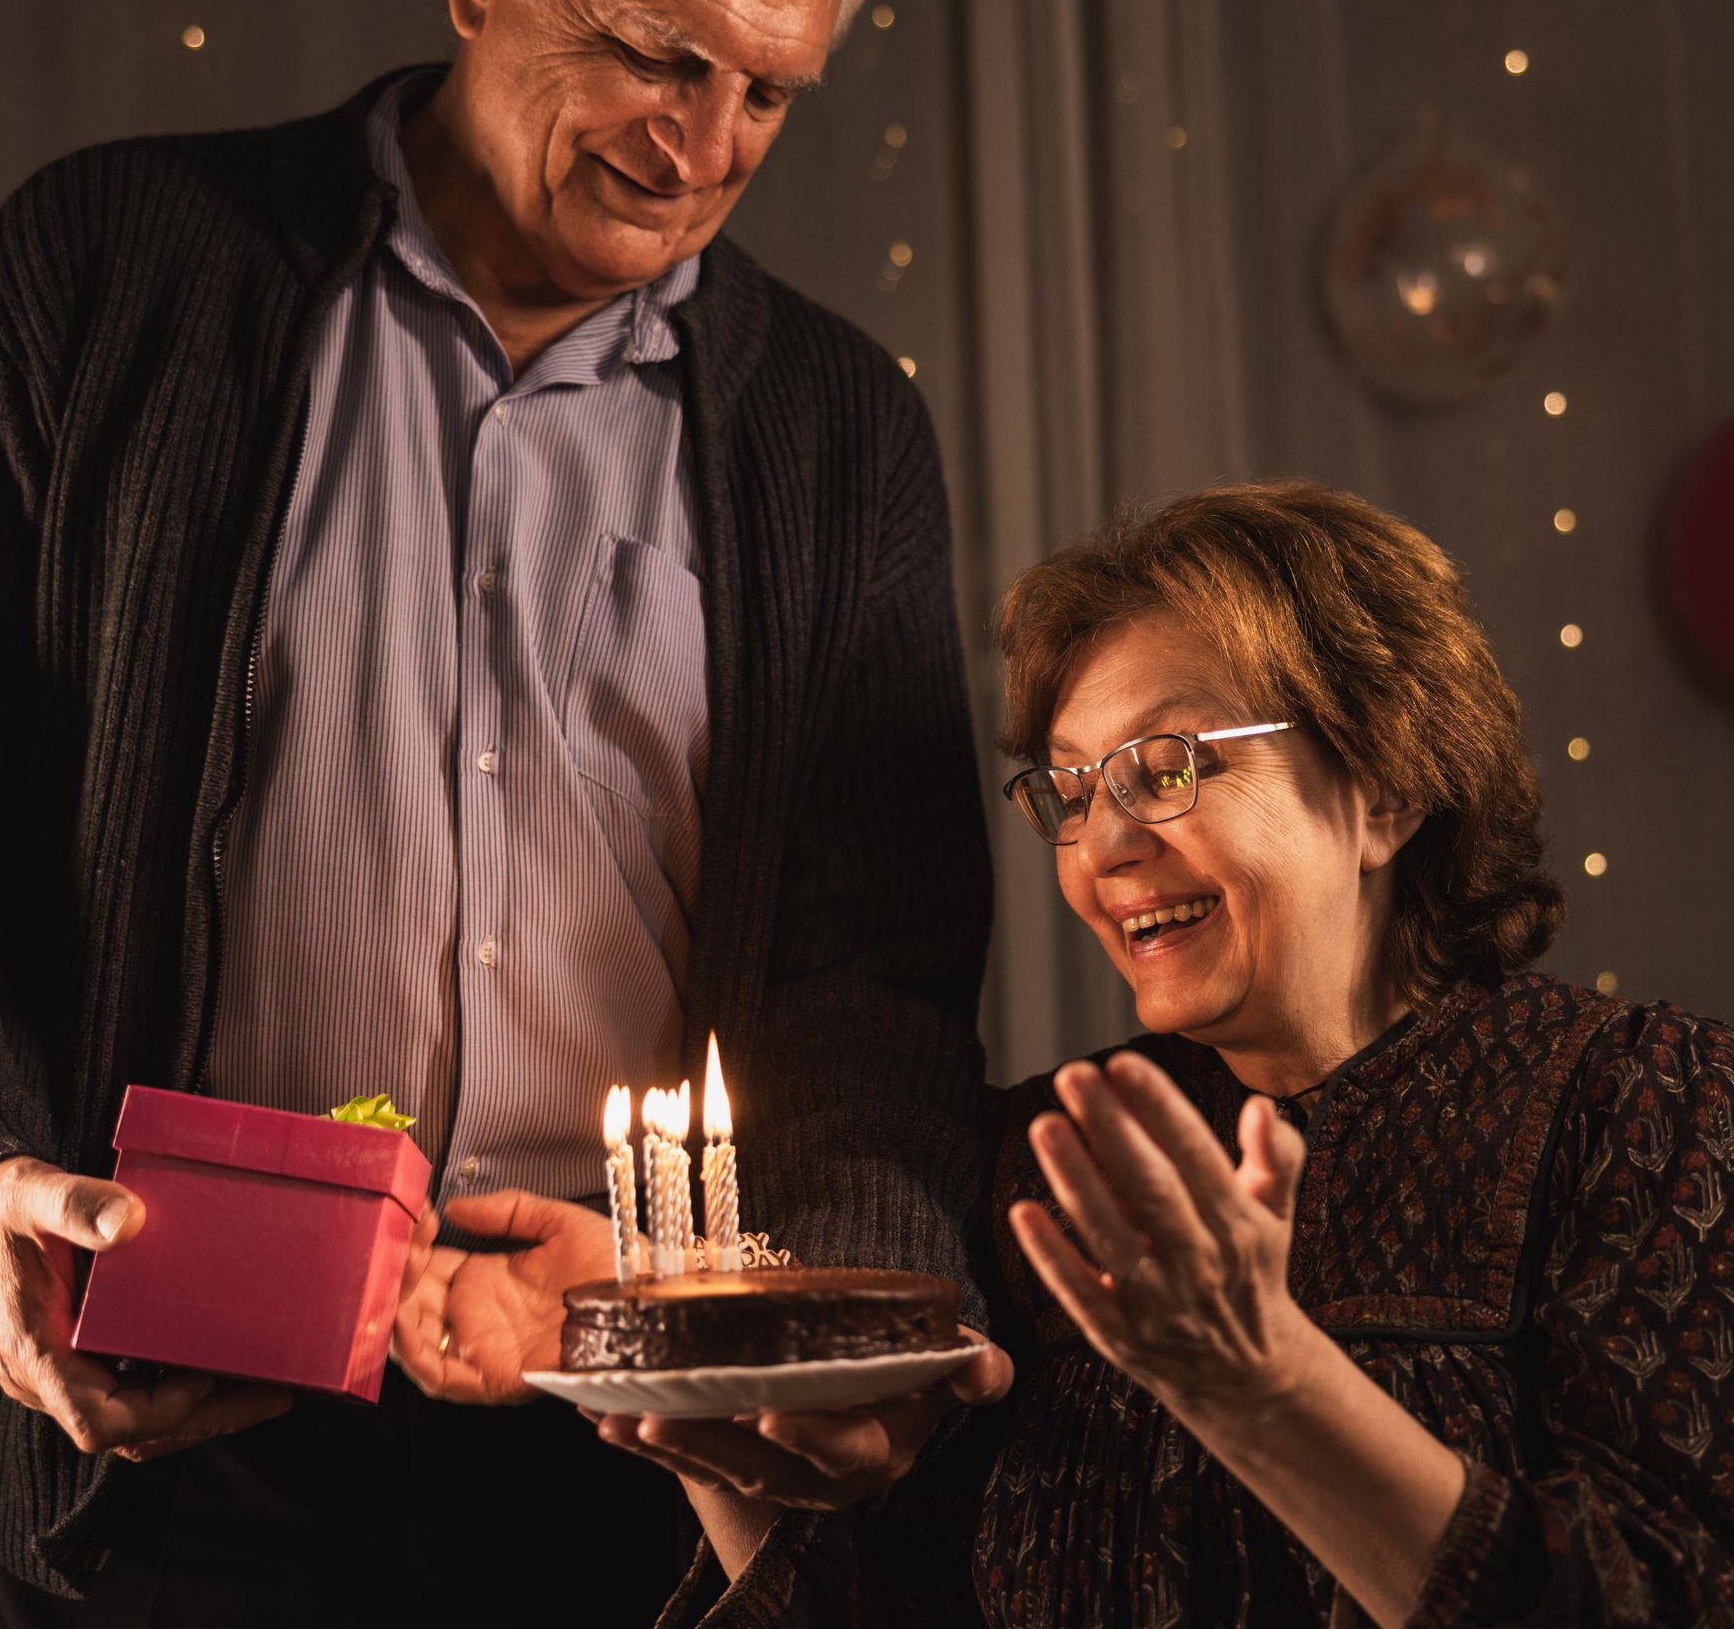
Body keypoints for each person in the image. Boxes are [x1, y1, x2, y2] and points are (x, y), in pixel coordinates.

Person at [0, 0, 992, 1619]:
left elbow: (883, 986)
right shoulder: (108, 266)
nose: (706, 144)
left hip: (637, 1466)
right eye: (658, 55)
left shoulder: (841, 435)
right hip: (155, 1449)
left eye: (770, 89)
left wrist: (803, 1342)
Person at [609, 479, 1734, 1626]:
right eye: (1071, 789)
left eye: (1169, 766)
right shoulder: (1035, 1155)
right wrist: (704, 1406)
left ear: (1387, 784)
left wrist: (1261, 1383)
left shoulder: (1641, 1106)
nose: (1104, 846)